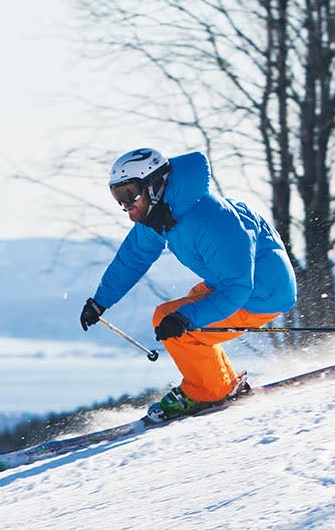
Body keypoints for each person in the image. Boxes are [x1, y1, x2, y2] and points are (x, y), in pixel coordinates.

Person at [78, 148, 297, 423]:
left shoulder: (211, 220)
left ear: (154, 185)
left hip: (261, 295)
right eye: (117, 196)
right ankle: (219, 382)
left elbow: (238, 288)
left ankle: (208, 391)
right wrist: (100, 301)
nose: (125, 205)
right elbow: (132, 258)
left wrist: (185, 318)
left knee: (173, 320)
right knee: (189, 307)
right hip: (235, 285)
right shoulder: (160, 216)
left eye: (129, 194)